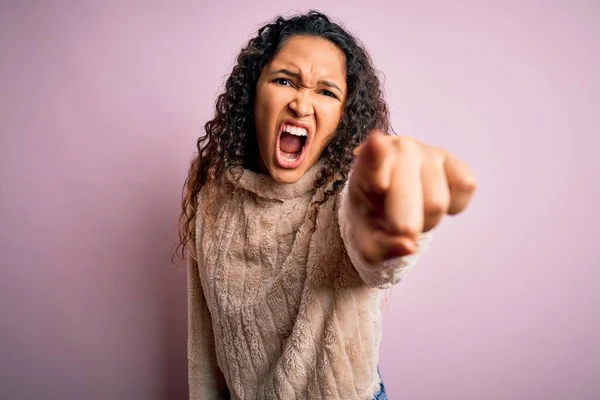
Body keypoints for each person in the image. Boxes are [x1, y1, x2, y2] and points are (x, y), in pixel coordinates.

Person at [177, 10, 476, 400]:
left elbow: (372, 252)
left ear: (342, 116)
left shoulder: (342, 193)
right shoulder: (212, 192)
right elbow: (203, 335)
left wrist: (391, 223)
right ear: (254, 93)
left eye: (326, 91)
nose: (301, 105)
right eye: (285, 81)